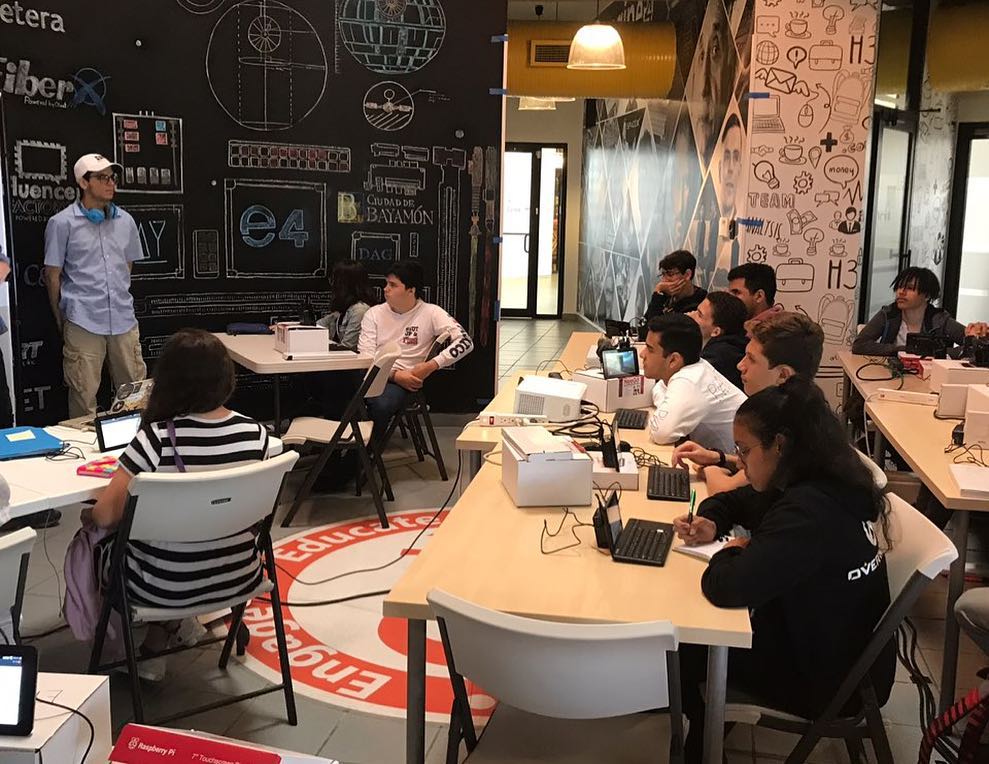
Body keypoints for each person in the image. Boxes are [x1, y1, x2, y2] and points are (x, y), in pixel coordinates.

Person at [672, 378, 895, 762]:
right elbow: (736, 501)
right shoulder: (823, 478)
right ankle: (704, 736)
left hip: (829, 681)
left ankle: (698, 749)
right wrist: (710, 520)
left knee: (685, 649)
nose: (739, 461)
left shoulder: (808, 513)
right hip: (844, 654)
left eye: (744, 450)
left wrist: (730, 551)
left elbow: (726, 586)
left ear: (780, 444)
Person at [86, 329, 271, 680]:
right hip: (239, 574)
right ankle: (165, 637)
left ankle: (141, 640)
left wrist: (90, 512)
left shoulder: (155, 439)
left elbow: (104, 515)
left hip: (164, 584)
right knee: (187, 539)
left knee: (96, 540)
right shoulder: (256, 435)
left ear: (167, 382)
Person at [674, 312, 824, 494]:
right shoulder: (802, 408)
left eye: (751, 359)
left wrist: (710, 470)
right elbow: (748, 472)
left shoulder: (788, 426)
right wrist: (718, 458)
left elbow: (724, 489)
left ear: (783, 375)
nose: (740, 365)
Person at [44, 154, 147, 418]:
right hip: (83, 320)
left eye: (112, 178)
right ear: (83, 182)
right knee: (83, 396)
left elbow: (127, 267)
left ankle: (135, 442)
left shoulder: (125, 221)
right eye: (102, 178)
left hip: (123, 320)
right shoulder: (61, 223)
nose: (111, 183)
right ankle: (83, 444)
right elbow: (53, 276)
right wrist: (62, 319)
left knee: (134, 395)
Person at [358, 261, 473, 444]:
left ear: (411, 290)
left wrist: (432, 365)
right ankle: (336, 449)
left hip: (405, 382)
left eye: (393, 285)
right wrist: (394, 375)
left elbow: (466, 342)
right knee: (337, 390)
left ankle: (366, 454)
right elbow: (367, 356)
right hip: (375, 374)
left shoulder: (431, 312)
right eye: (386, 283)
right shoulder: (374, 314)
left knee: (381, 404)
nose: (386, 289)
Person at [639, 313, 746, 452]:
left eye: (650, 349)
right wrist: (666, 406)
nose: (642, 354)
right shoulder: (696, 368)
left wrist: (666, 407)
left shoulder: (689, 380)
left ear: (673, 360)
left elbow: (661, 434)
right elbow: (659, 388)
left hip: (735, 462)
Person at [853, 266, 987, 357]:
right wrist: (904, 350)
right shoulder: (889, 314)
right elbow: (860, 345)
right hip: (890, 372)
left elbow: (971, 347)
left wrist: (977, 335)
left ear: (927, 296)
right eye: (899, 287)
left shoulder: (939, 319)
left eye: (910, 288)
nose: (901, 292)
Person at [689, 291, 748, 390]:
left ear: (716, 331)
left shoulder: (717, 357)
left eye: (699, 315)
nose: (691, 314)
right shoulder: (734, 345)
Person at [644, 250, 707, 320]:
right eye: (663, 274)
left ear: (687, 274)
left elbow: (653, 325)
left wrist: (657, 295)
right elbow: (645, 321)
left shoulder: (699, 305)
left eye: (670, 274)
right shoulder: (666, 294)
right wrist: (659, 294)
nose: (664, 280)